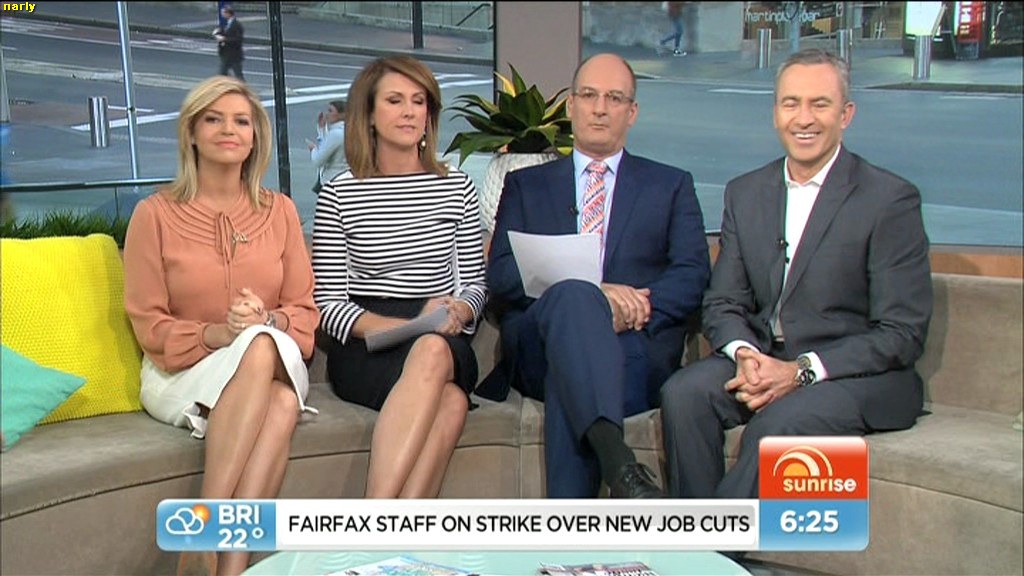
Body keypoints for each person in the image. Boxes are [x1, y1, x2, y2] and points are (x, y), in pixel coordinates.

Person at [660, 49, 933, 502]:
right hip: (766, 357)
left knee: (776, 426)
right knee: (685, 394)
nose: (803, 118)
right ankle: (700, 528)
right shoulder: (745, 193)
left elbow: (902, 333)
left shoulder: (889, 199)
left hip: (855, 376)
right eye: (791, 103)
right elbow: (723, 301)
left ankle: (711, 542)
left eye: (819, 104)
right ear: (775, 113)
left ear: (846, 114)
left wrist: (801, 371)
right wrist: (746, 354)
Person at [477, 53, 711, 498]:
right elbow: (503, 275)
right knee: (574, 298)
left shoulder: (670, 185)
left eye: (614, 98)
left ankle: (587, 508)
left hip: (632, 347)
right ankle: (619, 465)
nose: (600, 108)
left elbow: (692, 274)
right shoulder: (527, 185)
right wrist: (596, 297)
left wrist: (634, 308)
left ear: (632, 112)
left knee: (573, 373)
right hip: (539, 345)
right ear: (571, 106)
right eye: (588, 95)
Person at [123, 76, 319, 576]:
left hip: (269, 356)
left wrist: (265, 320)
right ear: (191, 133)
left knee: (261, 346)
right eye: (213, 119)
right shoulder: (154, 215)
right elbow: (148, 323)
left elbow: (303, 314)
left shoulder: (281, 212)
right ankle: (217, 554)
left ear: (255, 137)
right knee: (278, 399)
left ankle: (205, 549)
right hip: (179, 372)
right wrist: (219, 334)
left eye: (241, 121)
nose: (228, 130)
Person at [311, 55, 488, 499]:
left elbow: (475, 285)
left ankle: (372, 521)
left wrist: (460, 309)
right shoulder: (339, 193)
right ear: (369, 115)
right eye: (395, 101)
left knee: (432, 350)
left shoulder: (457, 186)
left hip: (440, 335)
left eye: (418, 101)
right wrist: (401, 328)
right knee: (451, 402)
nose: (410, 112)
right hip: (368, 341)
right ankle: (393, 530)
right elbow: (327, 304)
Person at [308, 99, 348, 193]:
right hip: (345, 180)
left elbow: (318, 160)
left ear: (341, 115)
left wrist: (313, 150)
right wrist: (322, 128)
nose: (326, 114)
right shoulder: (348, 131)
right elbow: (327, 146)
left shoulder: (335, 134)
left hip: (332, 181)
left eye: (330, 111)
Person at [214, 6, 245, 81]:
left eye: (223, 13)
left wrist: (224, 39)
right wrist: (218, 32)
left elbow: (238, 39)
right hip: (227, 54)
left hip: (234, 54)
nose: (222, 15)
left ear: (228, 13)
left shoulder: (236, 24)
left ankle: (243, 86)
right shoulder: (228, 23)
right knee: (223, 73)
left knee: (238, 75)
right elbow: (227, 33)